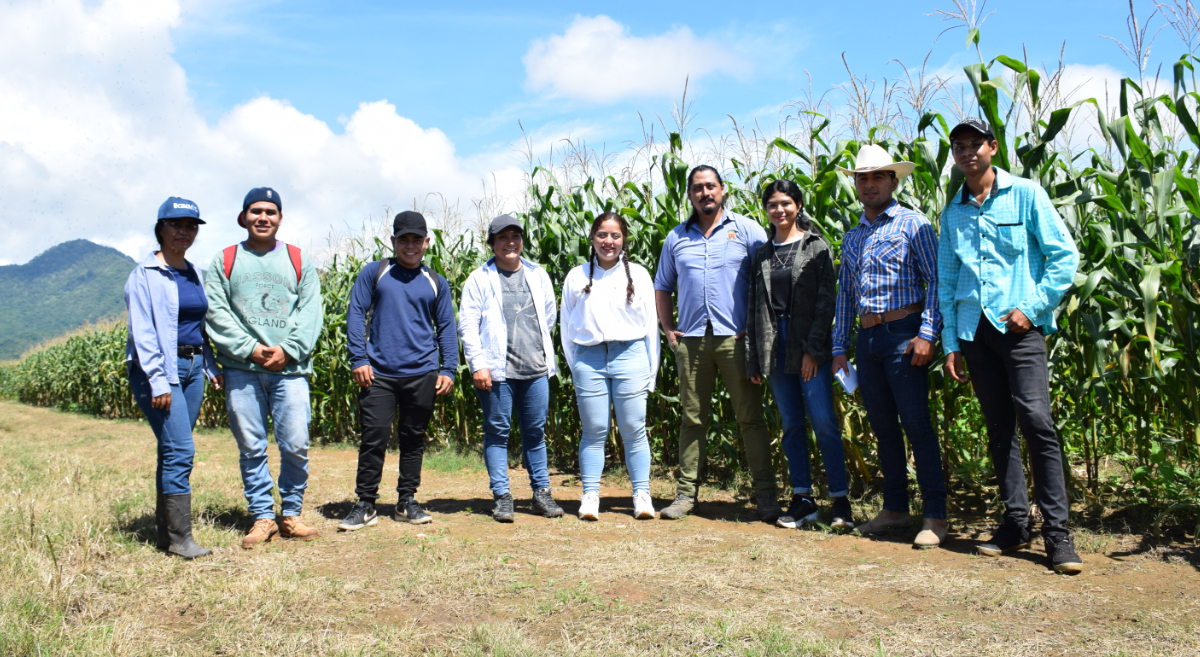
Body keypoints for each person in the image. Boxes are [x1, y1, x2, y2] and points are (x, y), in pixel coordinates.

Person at [939, 118, 1083, 573]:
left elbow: (1064, 256)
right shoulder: (952, 212)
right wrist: (951, 343)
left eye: (974, 145)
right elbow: (947, 281)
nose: (967, 153)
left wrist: (1034, 306)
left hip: (1021, 329)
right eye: (959, 147)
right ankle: (1015, 523)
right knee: (999, 427)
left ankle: (1057, 535)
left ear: (992, 147)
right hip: (974, 331)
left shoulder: (1026, 194)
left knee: (1037, 423)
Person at [831, 145, 949, 548]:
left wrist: (928, 333)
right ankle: (895, 508)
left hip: (905, 333)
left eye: (878, 176)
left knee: (916, 425)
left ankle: (935, 516)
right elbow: (846, 293)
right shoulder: (852, 236)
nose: (869, 184)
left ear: (893, 181)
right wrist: (839, 346)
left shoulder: (913, 224)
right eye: (862, 178)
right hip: (868, 340)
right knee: (883, 427)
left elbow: (935, 280)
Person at [654, 165, 781, 522]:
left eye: (711, 186)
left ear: (723, 190)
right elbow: (662, 285)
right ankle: (685, 495)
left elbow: (768, 273)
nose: (705, 192)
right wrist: (668, 328)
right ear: (690, 194)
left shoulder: (745, 230)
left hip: (735, 340)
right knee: (692, 419)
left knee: (750, 419)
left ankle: (766, 496)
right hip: (692, 341)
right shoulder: (676, 238)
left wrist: (756, 327)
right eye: (697, 188)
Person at [204, 187, 324, 548]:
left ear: (280, 219)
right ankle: (261, 517)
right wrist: (251, 349)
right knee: (251, 447)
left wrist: (288, 350)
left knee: (297, 444)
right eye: (255, 211)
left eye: (270, 212)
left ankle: (290, 514)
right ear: (243, 218)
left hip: (290, 370)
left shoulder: (298, 259)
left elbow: (311, 311)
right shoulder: (224, 259)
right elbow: (216, 312)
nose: (263, 217)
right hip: (242, 369)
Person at [338, 212, 458, 531]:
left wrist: (449, 368)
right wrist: (358, 359)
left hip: (423, 372)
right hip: (378, 373)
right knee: (374, 437)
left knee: (413, 438)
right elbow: (355, 315)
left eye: (416, 240)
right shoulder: (375, 272)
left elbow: (446, 326)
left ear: (426, 243)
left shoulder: (435, 281)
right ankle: (365, 503)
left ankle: (406, 500)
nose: (409, 245)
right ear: (392, 241)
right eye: (403, 239)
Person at [746, 180, 854, 531]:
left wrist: (813, 349)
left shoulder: (816, 246)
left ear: (798, 205)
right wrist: (755, 359)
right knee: (791, 425)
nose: (779, 210)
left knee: (823, 422)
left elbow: (827, 302)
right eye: (773, 205)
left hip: (807, 343)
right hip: (774, 344)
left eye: (786, 204)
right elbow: (754, 309)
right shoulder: (763, 254)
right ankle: (803, 499)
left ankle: (840, 501)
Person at [125, 197, 222, 559]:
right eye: (176, 225)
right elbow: (144, 332)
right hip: (159, 371)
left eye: (191, 226)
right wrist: (157, 379)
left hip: (193, 367)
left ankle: (165, 535)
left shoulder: (195, 273)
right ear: (160, 229)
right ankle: (181, 537)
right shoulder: (145, 275)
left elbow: (199, 327)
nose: (184, 232)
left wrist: (210, 367)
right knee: (181, 449)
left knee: (171, 450)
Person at [459, 214, 564, 522]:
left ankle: (541, 494)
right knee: (497, 432)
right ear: (492, 243)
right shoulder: (479, 279)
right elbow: (467, 325)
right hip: (496, 372)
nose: (510, 242)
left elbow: (549, 317)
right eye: (502, 237)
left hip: (535, 369)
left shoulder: (538, 274)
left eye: (515, 236)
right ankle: (503, 497)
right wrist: (478, 364)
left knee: (535, 432)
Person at [560, 212, 660, 521]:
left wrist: (651, 373)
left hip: (631, 355)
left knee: (633, 429)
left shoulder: (639, 275)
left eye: (615, 235)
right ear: (592, 238)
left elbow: (650, 327)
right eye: (602, 235)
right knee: (594, 430)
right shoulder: (576, 276)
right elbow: (566, 326)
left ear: (624, 240)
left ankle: (641, 495)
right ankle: (590, 496)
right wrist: (575, 364)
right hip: (588, 359)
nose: (608, 241)